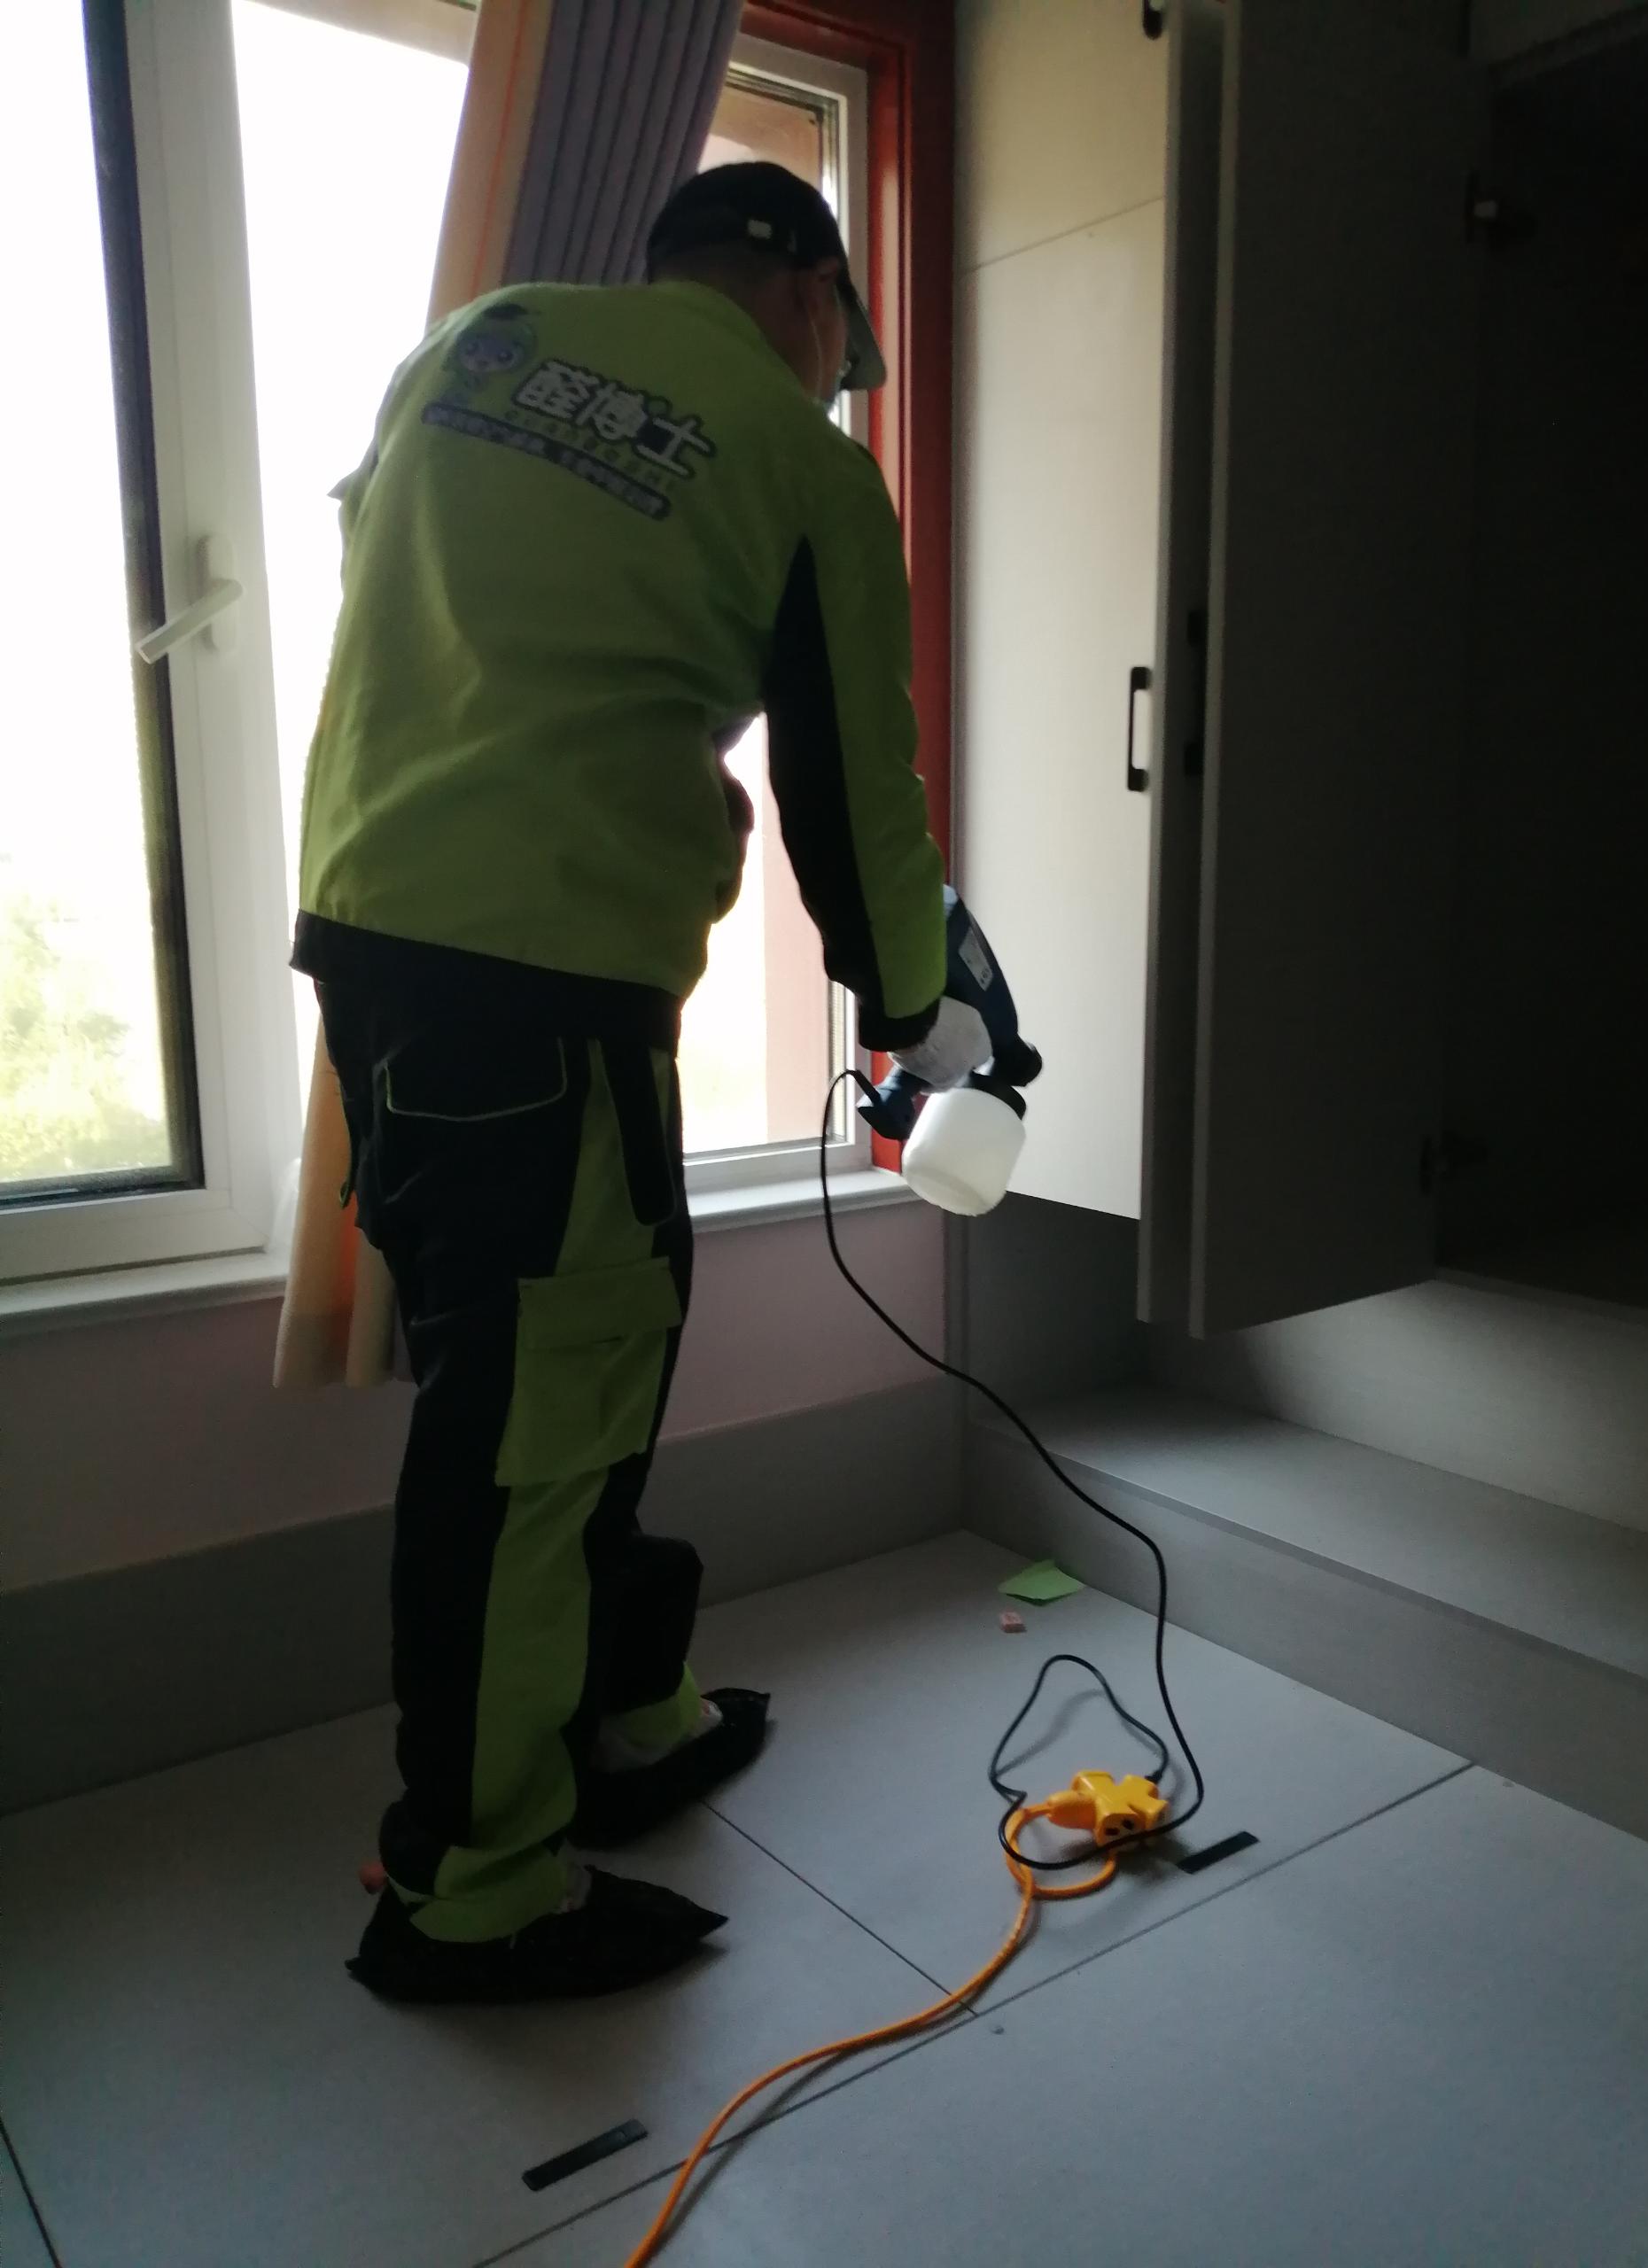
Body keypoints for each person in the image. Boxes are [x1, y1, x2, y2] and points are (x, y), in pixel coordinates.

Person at [297, 163, 990, 2006]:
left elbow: (388, 571)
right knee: (534, 1429)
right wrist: (922, 1010)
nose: (837, 374)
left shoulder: (478, 345)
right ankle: (473, 1886)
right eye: (843, 346)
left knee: (580, 1349)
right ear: (814, 295)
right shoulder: (804, 464)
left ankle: (620, 1708)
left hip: (379, 945)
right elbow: (856, 792)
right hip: (547, 981)